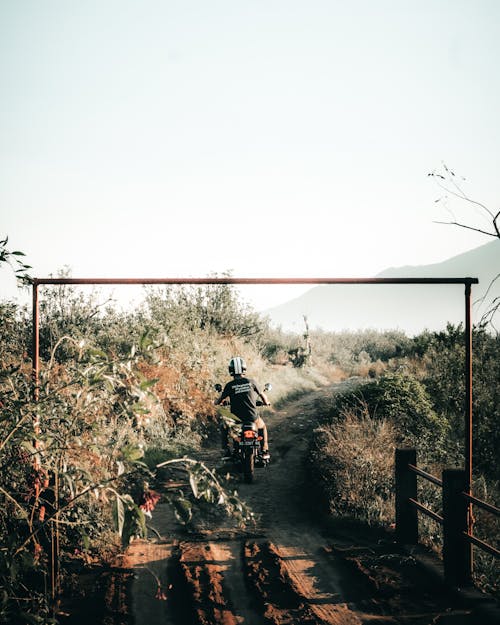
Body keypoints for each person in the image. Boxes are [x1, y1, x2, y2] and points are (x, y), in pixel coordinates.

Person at [214, 356, 270, 459]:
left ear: (230, 370)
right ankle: (264, 450)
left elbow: (220, 400)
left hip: (236, 419)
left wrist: (217, 402)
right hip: (252, 417)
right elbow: (263, 395)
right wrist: (266, 402)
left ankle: (226, 450)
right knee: (262, 426)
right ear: (244, 369)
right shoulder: (252, 382)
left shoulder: (229, 385)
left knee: (224, 426)